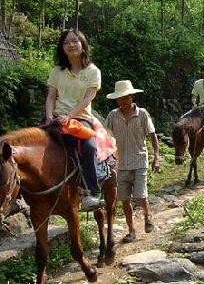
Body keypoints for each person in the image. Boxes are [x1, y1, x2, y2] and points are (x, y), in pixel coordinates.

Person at [45, 29, 103, 211]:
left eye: (75, 41)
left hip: (79, 118)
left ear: (83, 44)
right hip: (55, 117)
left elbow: (87, 99)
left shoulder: (93, 71)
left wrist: (68, 116)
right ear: (62, 48)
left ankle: (93, 191)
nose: (70, 45)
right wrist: (48, 117)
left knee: (89, 146)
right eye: (66, 42)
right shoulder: (57, 71)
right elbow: (51, 97)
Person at [104, 80, 160, 243]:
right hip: (121, 164)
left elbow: (152, 135)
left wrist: (156, 157)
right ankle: (131, 230)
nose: (122, 101)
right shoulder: (112, 116)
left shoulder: (142, 113)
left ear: (132, 96)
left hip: (140, 160)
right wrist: (107, 156)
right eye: (119, 98)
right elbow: (106, 136)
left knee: (141, 195)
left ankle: (148, 216)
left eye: (125, 97)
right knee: (124, 199)